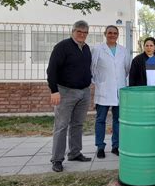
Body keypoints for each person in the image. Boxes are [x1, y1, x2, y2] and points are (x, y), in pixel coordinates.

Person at [47, 20, 92, 173]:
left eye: (85, 32)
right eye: (79, 31)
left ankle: (74, 152)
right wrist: (54, 90)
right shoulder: (62, 47)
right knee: (61, 126)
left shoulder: (86, 49)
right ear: (72, 31)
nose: (82, 34)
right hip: (65, 92)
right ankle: (57, 159)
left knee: (77, 124)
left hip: (84, 92)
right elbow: (51, 70)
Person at [91, 25, 130, 159]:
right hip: (104, 89)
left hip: (119, 90)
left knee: (117, 120)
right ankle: (100, 146)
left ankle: (116, 146)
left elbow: (126, 69)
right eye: (110, 33)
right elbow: (93, 68)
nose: (112, 35)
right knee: (100, 119)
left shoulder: (123, 51)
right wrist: (100, 82)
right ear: (105, 34)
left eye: (115, 33)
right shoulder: (98, 49)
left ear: (118, 35)